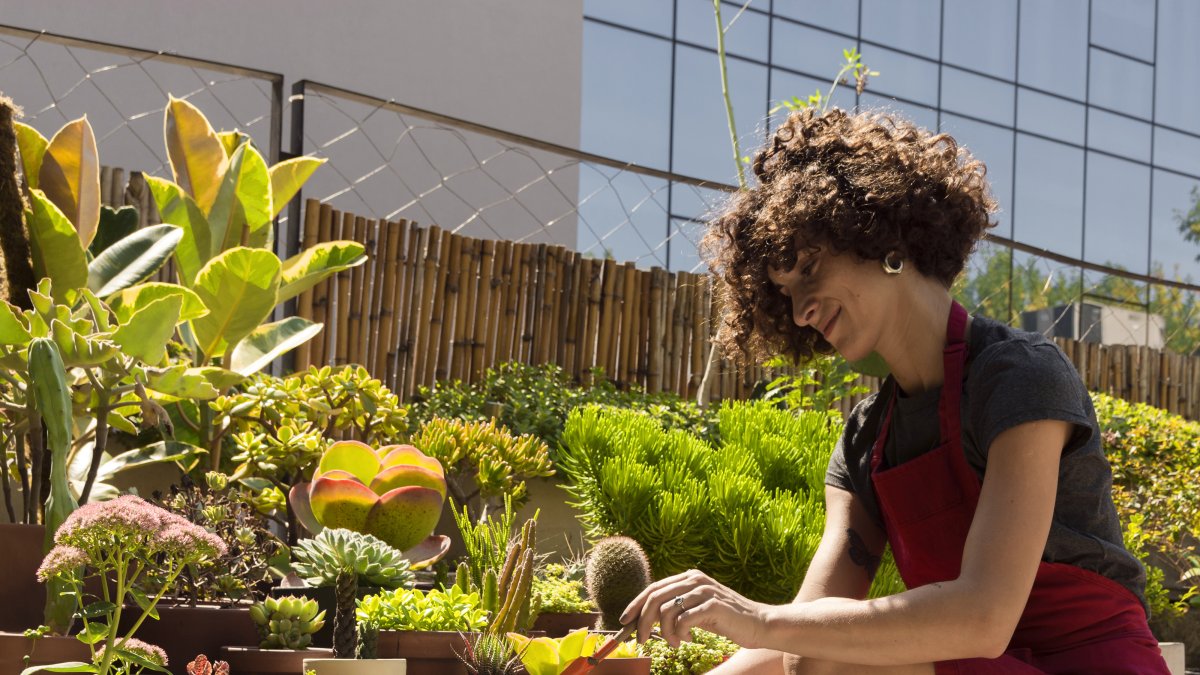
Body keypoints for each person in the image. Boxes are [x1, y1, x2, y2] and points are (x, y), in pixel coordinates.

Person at [618, 108, 1170, 674]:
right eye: (785, 295)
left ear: (881, 236)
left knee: (823, 662)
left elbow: (984, 618)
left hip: (1091, 664)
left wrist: (758, 617)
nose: (801, 311)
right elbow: (799, 631)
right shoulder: (865, 440)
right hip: (973, 665)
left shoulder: (1019, 375)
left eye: (809, 268)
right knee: (813, 657)